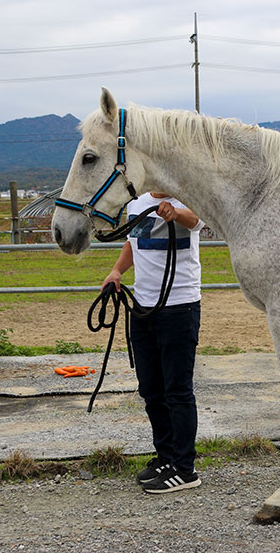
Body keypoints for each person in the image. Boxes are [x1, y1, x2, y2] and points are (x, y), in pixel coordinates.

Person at [102, 192, 205, 493]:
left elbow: (196, 221)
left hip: (179, 305)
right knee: (151, 388)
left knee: (177, 389)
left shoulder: (186, 195)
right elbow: (133, 243)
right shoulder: (137, 202)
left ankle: (185, 469)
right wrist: (117, 271)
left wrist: (175, 213)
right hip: (143, 306)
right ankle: (166, 456)